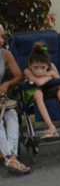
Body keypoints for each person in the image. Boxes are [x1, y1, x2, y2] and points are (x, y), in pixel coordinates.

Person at [23, 42, 60, 139]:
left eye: (43, 67)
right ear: (30, 65)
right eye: (35, 67)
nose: (39, 71)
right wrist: (50, 75)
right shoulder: (27, 71)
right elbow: (39, 83)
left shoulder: (52, 66)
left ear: (47, 65)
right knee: (38, 93)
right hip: (35, 94)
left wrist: (53, 74)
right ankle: (51, 127)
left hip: (50, 91)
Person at [0, 23, 31, 175]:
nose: (0, 40)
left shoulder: (5, 54)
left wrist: (7, 83)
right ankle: (10, 158)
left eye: (1, 36)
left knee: (11, 115)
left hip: (1, 99)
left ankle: (12, 157)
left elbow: (20, 75)